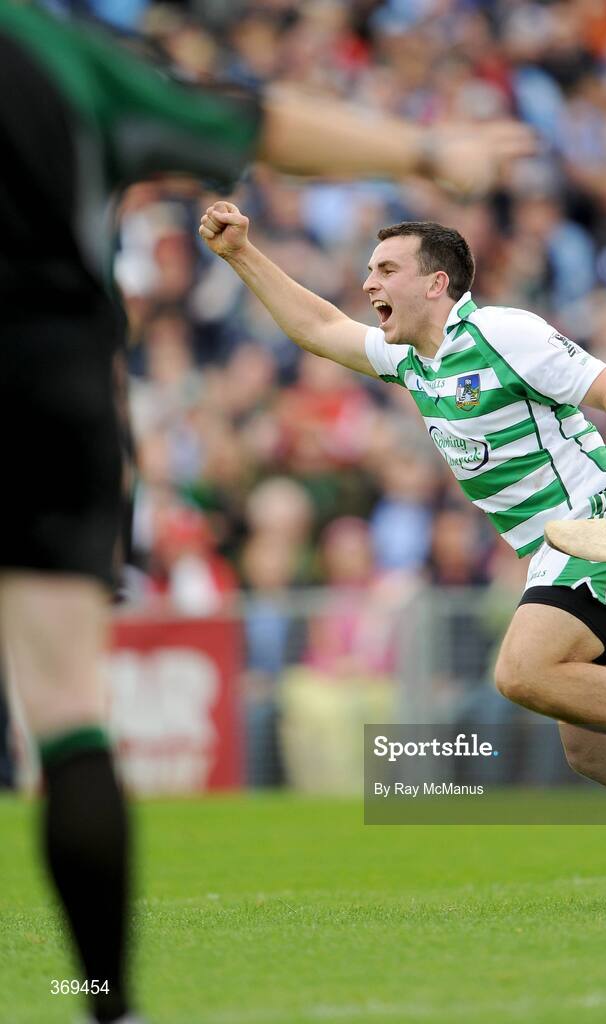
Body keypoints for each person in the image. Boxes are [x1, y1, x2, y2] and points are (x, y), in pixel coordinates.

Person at [0, 4, 534, 1023]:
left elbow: (333, 329)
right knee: (66, 712)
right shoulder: (55, 50)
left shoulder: (498, 337)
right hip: (45, 376)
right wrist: (428, 147)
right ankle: (106, 1003)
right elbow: (260, 125)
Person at [200, 201, 606, 907]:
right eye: (368, 270)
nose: (369, 285)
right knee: (589, 748)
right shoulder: (410, 360)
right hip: (556, 550)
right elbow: (317, 326)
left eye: (386, 270)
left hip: (604, 529)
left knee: (520, 671)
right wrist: (241, 253)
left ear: (436, 284)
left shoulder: (501, 332)